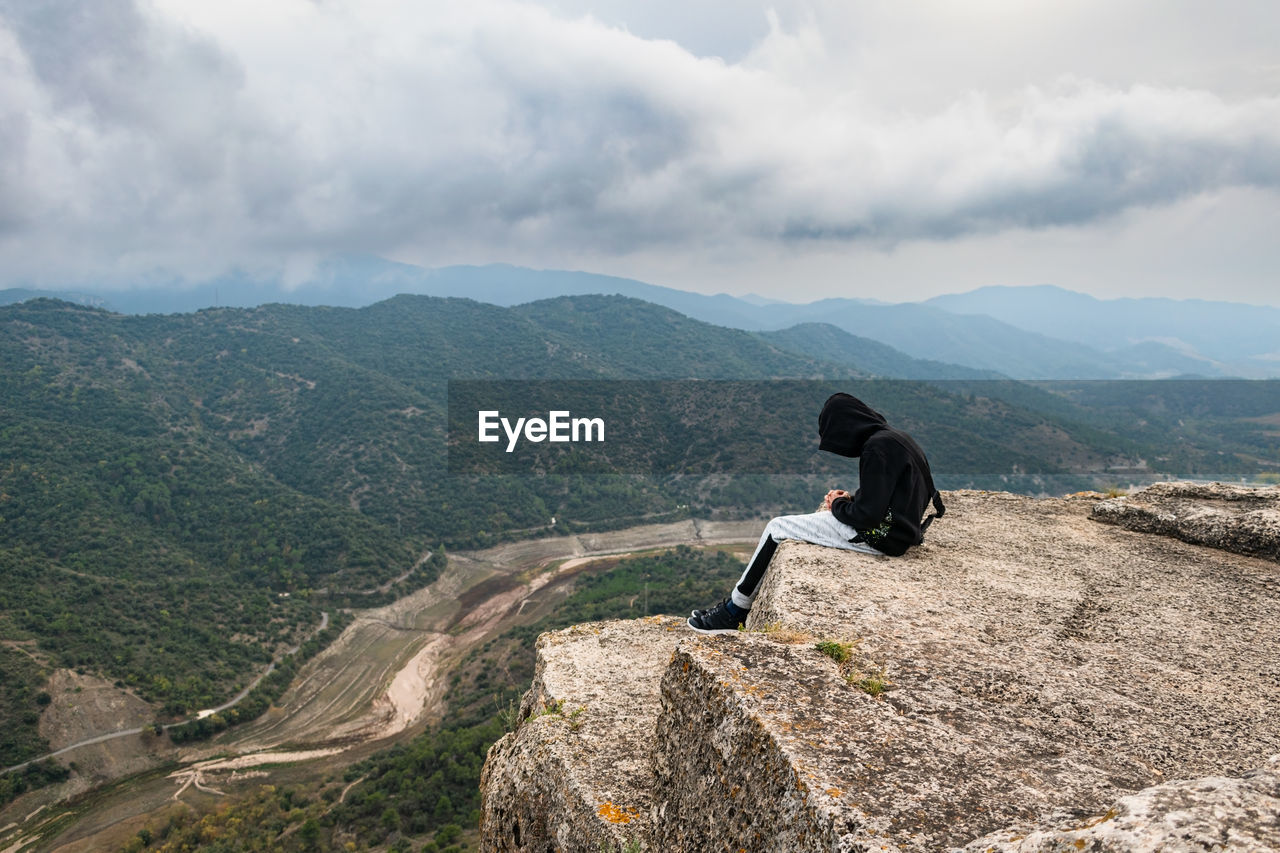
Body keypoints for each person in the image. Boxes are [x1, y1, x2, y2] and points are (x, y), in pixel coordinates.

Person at [687, 392, 945, 634]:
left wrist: (837, 504)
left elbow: (866, 516)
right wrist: (851, 499)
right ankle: (735, 608)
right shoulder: (897, 438)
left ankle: (734, 611)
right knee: (788, 525)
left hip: (881, 537)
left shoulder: (876, 448)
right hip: (902, 531)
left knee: (777, 528)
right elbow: (894, 494)